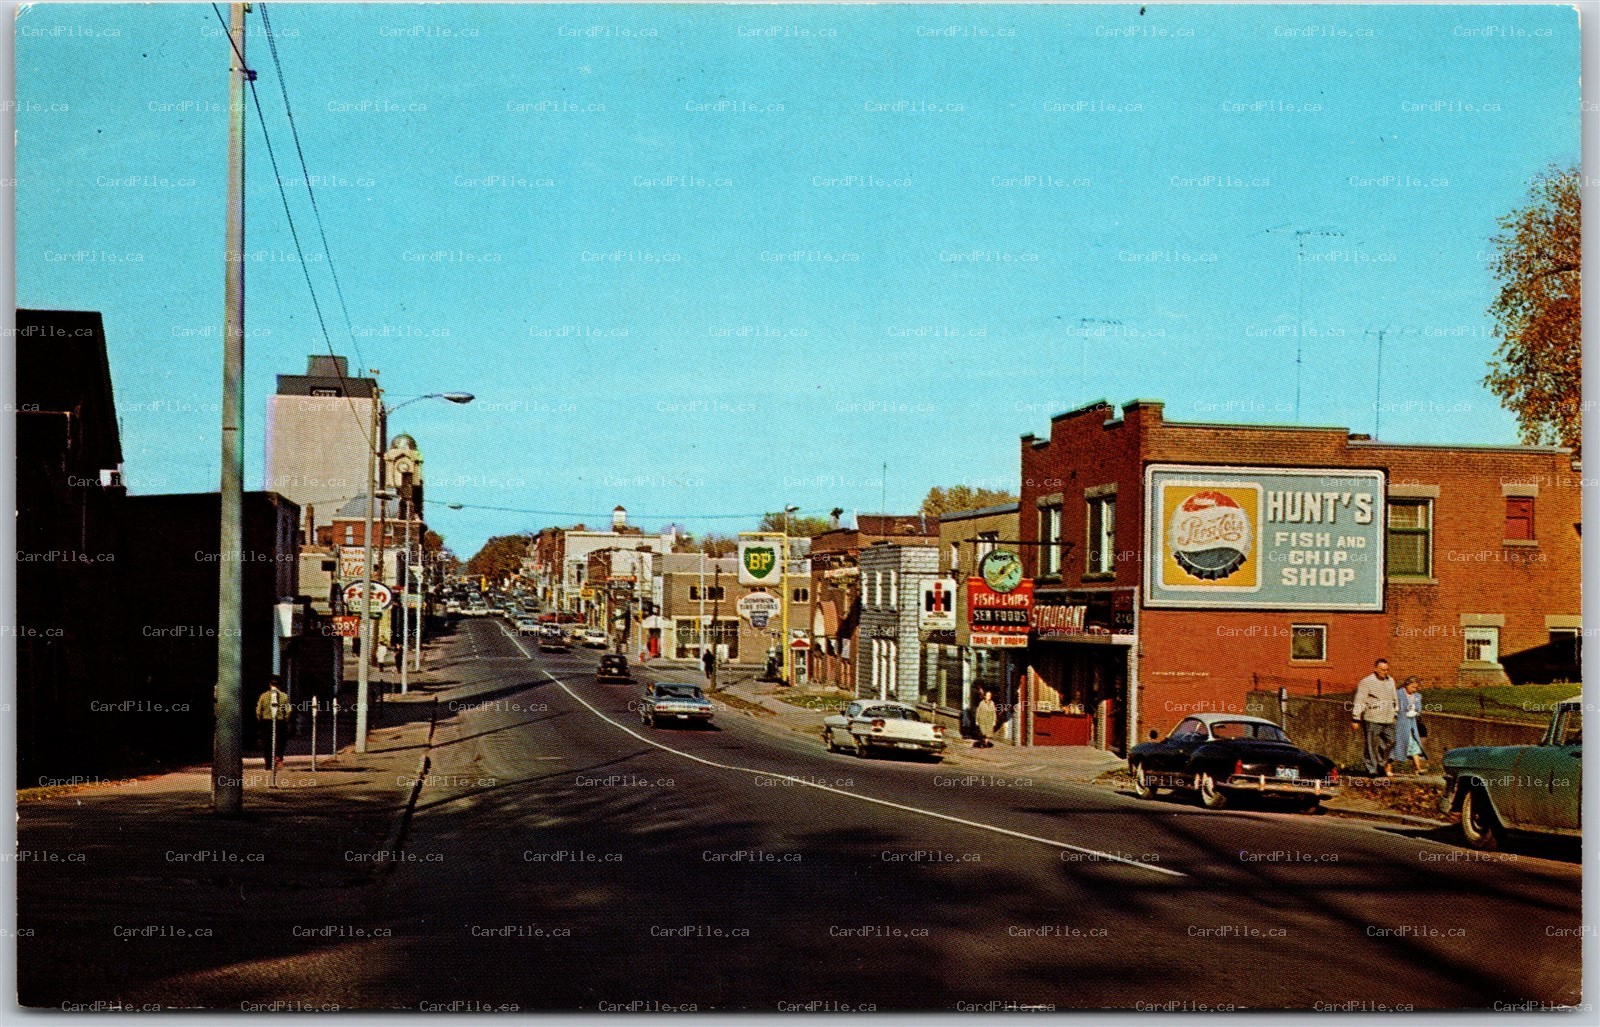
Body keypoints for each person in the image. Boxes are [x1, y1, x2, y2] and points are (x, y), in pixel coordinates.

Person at [1350, 657, 1399, 777]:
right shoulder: (1366, 682)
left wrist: (1395, 712)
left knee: (1391, 741)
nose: (1385, 672)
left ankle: (1381, 763)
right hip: (1372, 718)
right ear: (1376, 669)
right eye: (1382, 670)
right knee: (1371, 745)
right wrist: (1356, 717)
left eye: (1387, 670)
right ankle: (1371, 769)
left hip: (1388, 718)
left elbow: (1394, 698)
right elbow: (1360, 700)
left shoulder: (1390, 681)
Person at [255, 676, 292, 772]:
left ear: (270, 684)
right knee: (280, 741)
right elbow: (288, 710)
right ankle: (278, 757)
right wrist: (286, 720)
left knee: (267, 743)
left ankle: (268, 763)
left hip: (266, 721)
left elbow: (258, 710)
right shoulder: (284, 696)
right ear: (280, 685)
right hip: (280, 722)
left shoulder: (263, 696)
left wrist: (260, 719)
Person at [1393, 676, 1427, 773]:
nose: (1414, 689)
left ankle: (1418, 768)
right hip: (1400, 723)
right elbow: (1394, 706)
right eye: (1413, 687)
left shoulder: (1417, 696)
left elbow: (1418, 709)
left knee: (1414, 744)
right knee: (1395, 747)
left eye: (1416, 687)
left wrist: (1415, 712)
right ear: (1407, 685)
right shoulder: (1398, 694)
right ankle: (1387, 768)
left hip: (1412, 724)